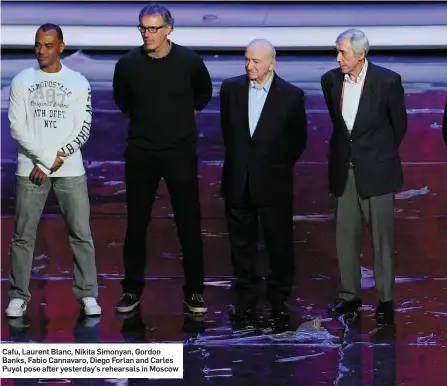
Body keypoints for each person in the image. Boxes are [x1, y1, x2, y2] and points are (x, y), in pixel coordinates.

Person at [112, 3, 212, 314]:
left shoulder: (189, 61)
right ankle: (131, 290)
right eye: (143, 28)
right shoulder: (128, 64)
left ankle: (194, 291)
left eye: (154, 28)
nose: (147, 34)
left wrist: (179, 121)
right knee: (137, 224)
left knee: (188, 223)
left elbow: (203, 93)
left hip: (179, 152)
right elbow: (123, 99)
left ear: (169, 29)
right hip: (141, 152)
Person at [6, 23, 100, 318]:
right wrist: (46, 160)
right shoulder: (22, 80)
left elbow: (82, 128)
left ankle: (87, 294)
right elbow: (16, 127)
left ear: (61, 46)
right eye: (37, 44)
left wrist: (54, 159)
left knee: (81, 233)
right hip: (30, 169)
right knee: (23, 235)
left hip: (69, 169)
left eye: (48, 45)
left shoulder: (78, 81)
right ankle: (19, 295)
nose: (41, 51)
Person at [321, 29, 407, 325]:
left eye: (343, 52)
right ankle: (350, 296)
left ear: (361, 54)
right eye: (337, 51)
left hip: (378, 171)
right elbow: (339, 126)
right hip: (344, 170)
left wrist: (377, 156)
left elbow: (399, 126)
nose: (338, 58)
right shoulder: (330, 81)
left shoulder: (387, 81)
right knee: (346, 236)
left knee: (382, 239)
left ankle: (385, 300)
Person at [219, 39, 307, 321]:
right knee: (240, 245)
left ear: (272, 64)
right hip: (237, 181)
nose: (250, 66)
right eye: (247, 59)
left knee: (278, 243)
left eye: (256, 61)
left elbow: (298, 140)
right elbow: (229, 133)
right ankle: (246, 296)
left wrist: (274, 167)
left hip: (273, 183)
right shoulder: (230, 89)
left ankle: (278, 297)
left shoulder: (291, 95)